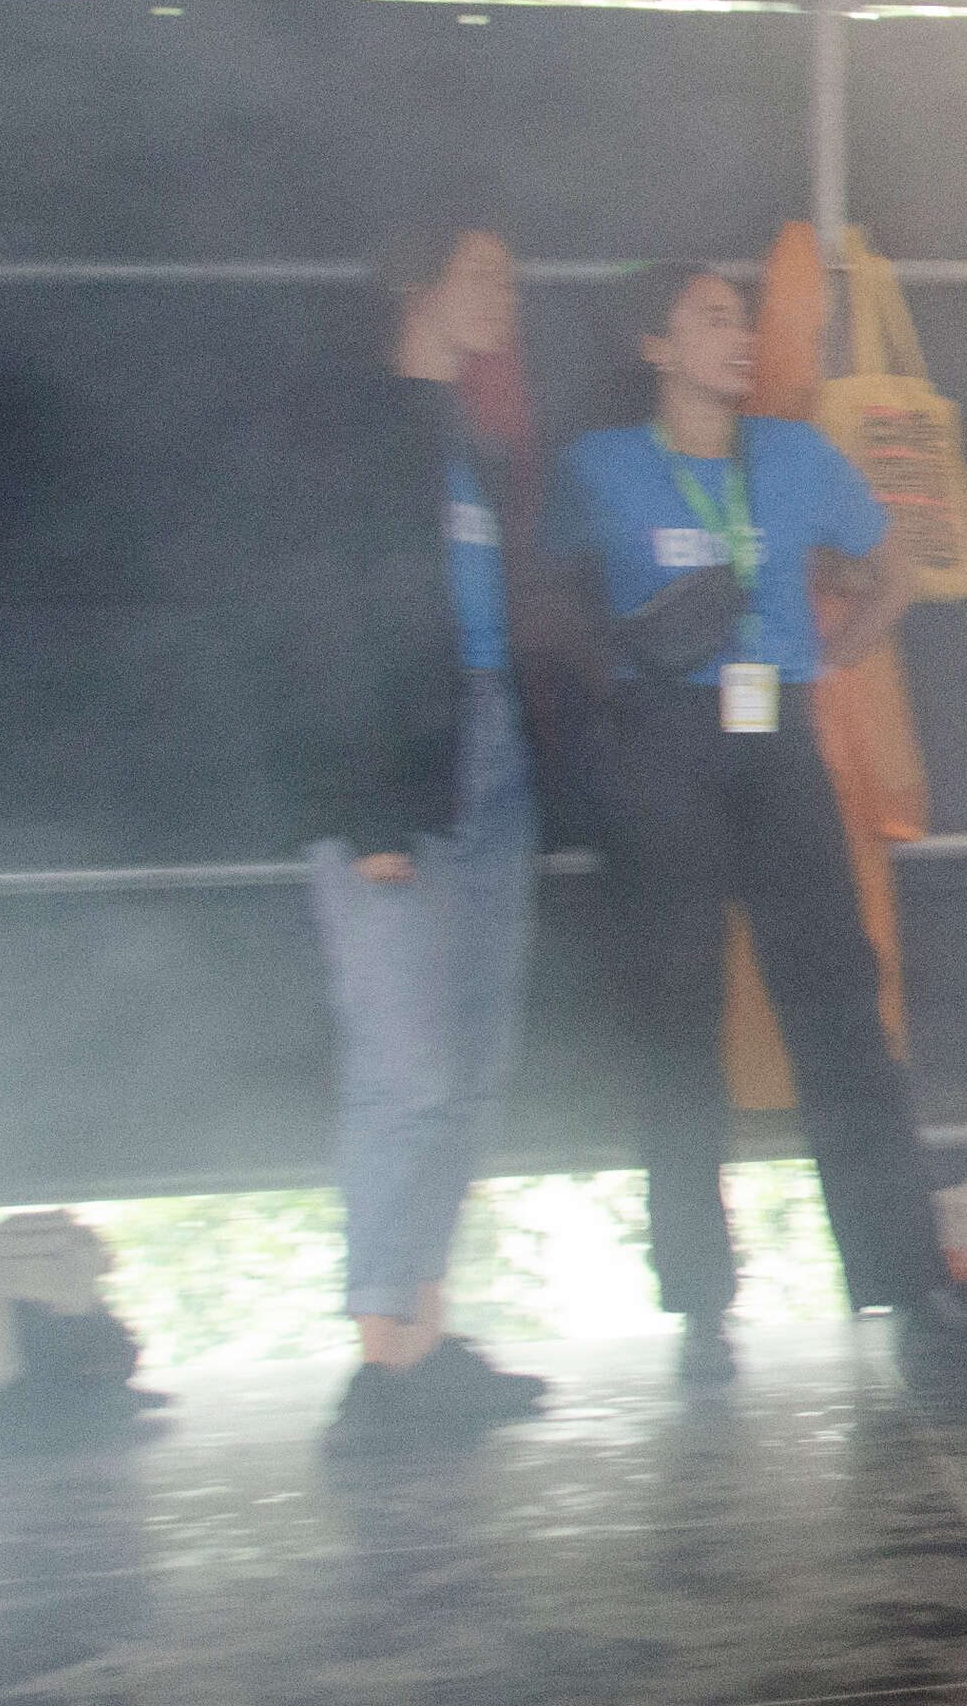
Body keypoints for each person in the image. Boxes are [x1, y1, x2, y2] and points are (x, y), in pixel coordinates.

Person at [555, 264, 967, 1373]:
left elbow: (894, 572)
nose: (741, 335)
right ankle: (700, 1307)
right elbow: (548, 601)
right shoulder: (601, 465)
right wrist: (603, 687)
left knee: (841, 1008)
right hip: (659, 746)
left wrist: (828, 658)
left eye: (744, 317)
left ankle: (911, 1287)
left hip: (777, 744)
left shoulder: (796, 455)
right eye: (711, 318)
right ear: (654, 347)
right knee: (676, 1017)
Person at [285, 223, 558, 1445]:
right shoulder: (350, 424)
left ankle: (425, 1336)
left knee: (474, 1061)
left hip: (489, 756)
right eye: (482, 275)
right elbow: (318, 621)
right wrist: (364, 807)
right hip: (395, 774)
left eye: (511, 277)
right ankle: (379, 1367)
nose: (504, 296)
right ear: (417, 284)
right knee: (408, 1069)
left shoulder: (468, 436)